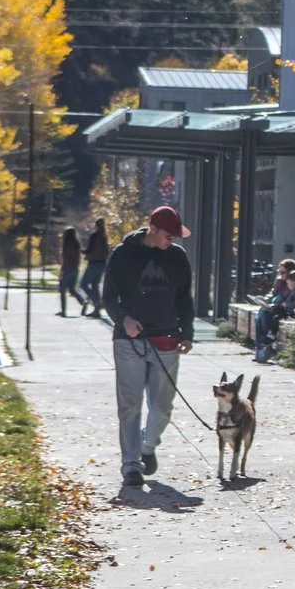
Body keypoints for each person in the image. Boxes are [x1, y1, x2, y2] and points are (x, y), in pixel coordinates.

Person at [106, 206, 196, 488]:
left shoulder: (178, 257)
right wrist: (125, 319)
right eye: (169, 235)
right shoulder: (122, 254)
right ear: (152, 229)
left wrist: (188, 333)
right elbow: (109, 297)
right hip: (128, 340)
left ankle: (147, 446)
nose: (173, 240)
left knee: (163, 406)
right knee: (129, 405)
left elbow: (184, 298)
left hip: (167, 338)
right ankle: (131, 464)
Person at [251, 266, 295, 363]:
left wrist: (286, 304)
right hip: (287, 311)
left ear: (294, 282)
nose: (287, 284)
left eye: (288, 282)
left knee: (274, 317)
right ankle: (267, 339)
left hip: (291, 313)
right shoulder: (293, 291)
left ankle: (270, 335)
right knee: (266, 315)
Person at [80, 219, 110, 318]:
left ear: (96, 225)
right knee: (95, 285)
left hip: (93, 263)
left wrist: (82, 251)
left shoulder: (94, 236)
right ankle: (96, 311)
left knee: (83, 284)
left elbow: (89, 250)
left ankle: (97, 302)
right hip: (102, 264)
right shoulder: (105, 237)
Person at [56, 227, 81, 317]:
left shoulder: (67, 245)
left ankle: (63, 311)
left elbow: (66, 259)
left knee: (62, 290)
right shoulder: (76, 244)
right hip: (75, 269)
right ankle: (83, 301)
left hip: (67, 269)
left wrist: (62, 271)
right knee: (72, 289)